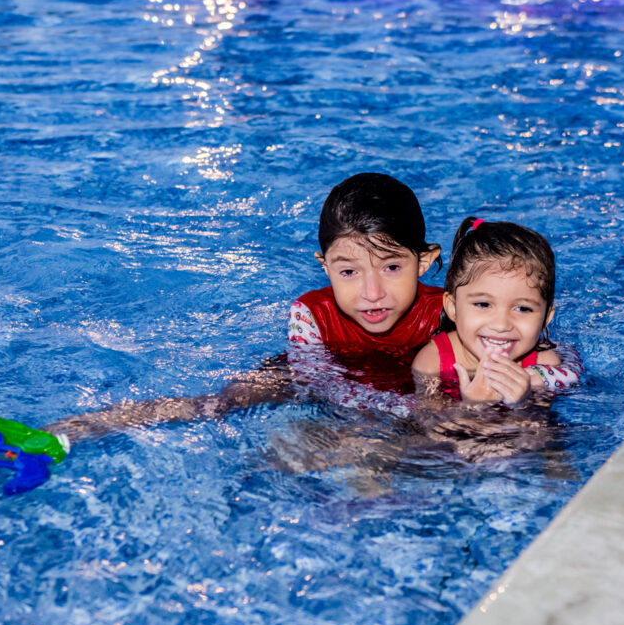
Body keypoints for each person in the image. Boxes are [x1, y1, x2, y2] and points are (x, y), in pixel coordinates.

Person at [42, 172, 445, 440]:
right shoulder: (312, 314)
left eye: (392, 267)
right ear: (325, 267)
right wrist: (382, 414)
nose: (372, 292)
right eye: (349, 272)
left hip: (403, 393)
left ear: (424, 261)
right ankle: (90, 424)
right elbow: (317, 387)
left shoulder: (450, 313)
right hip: (315, 378)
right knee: (216, 404)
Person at [412, 217, 580, 409]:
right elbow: (431, 430)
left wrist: (524, 404)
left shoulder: (545, 365)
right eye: (483, 304)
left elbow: (540, 436)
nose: (501, 325)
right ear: (453, 308)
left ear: (546, 318)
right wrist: (473, 407)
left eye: (523, 308)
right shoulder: (432, 363)